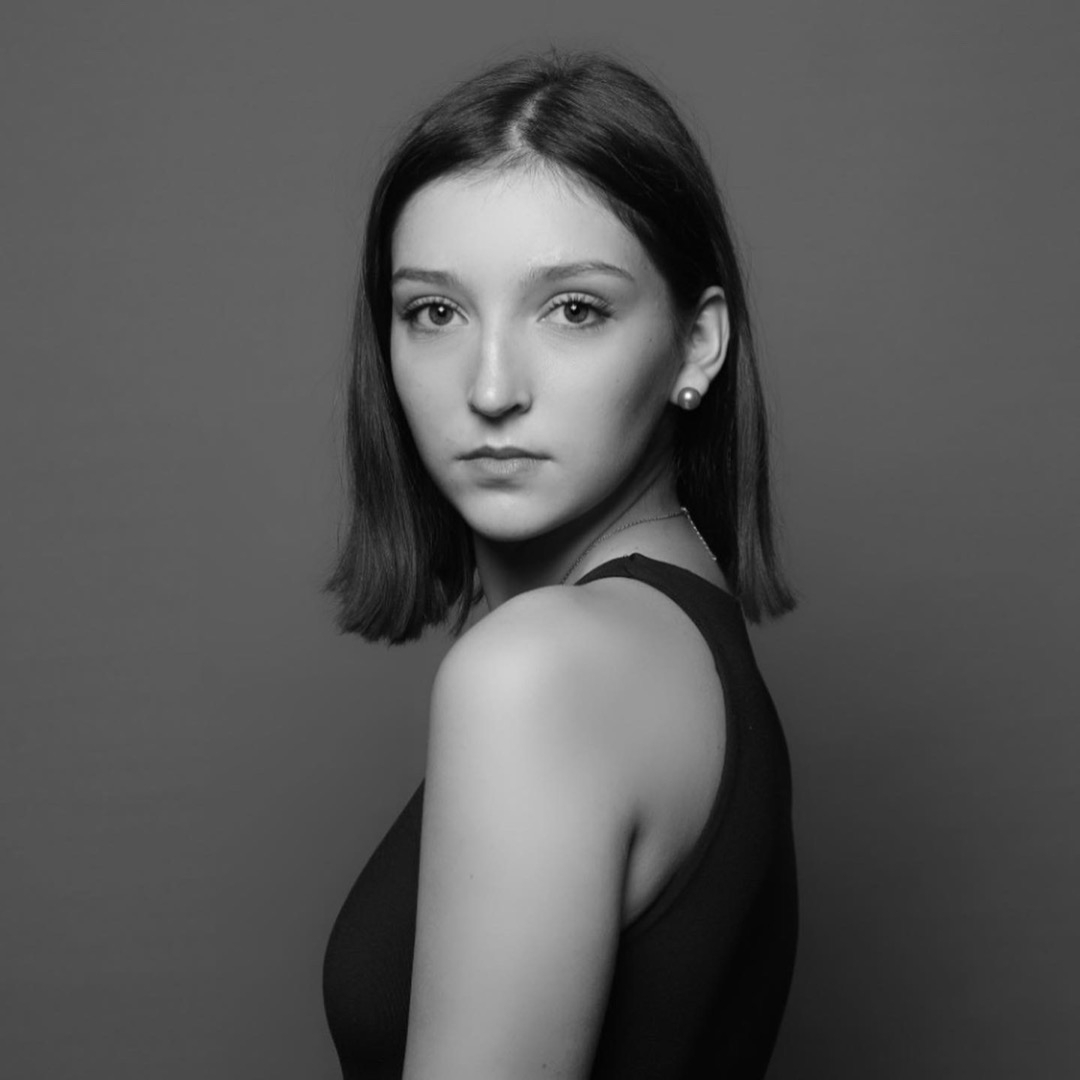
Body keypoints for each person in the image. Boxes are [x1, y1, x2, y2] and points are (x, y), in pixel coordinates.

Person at [322, 49, 798, 1080]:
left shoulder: (539, 671)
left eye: (574, 308)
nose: (492, 388)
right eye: (435, 312)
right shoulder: (684, 642)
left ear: (697, 344)